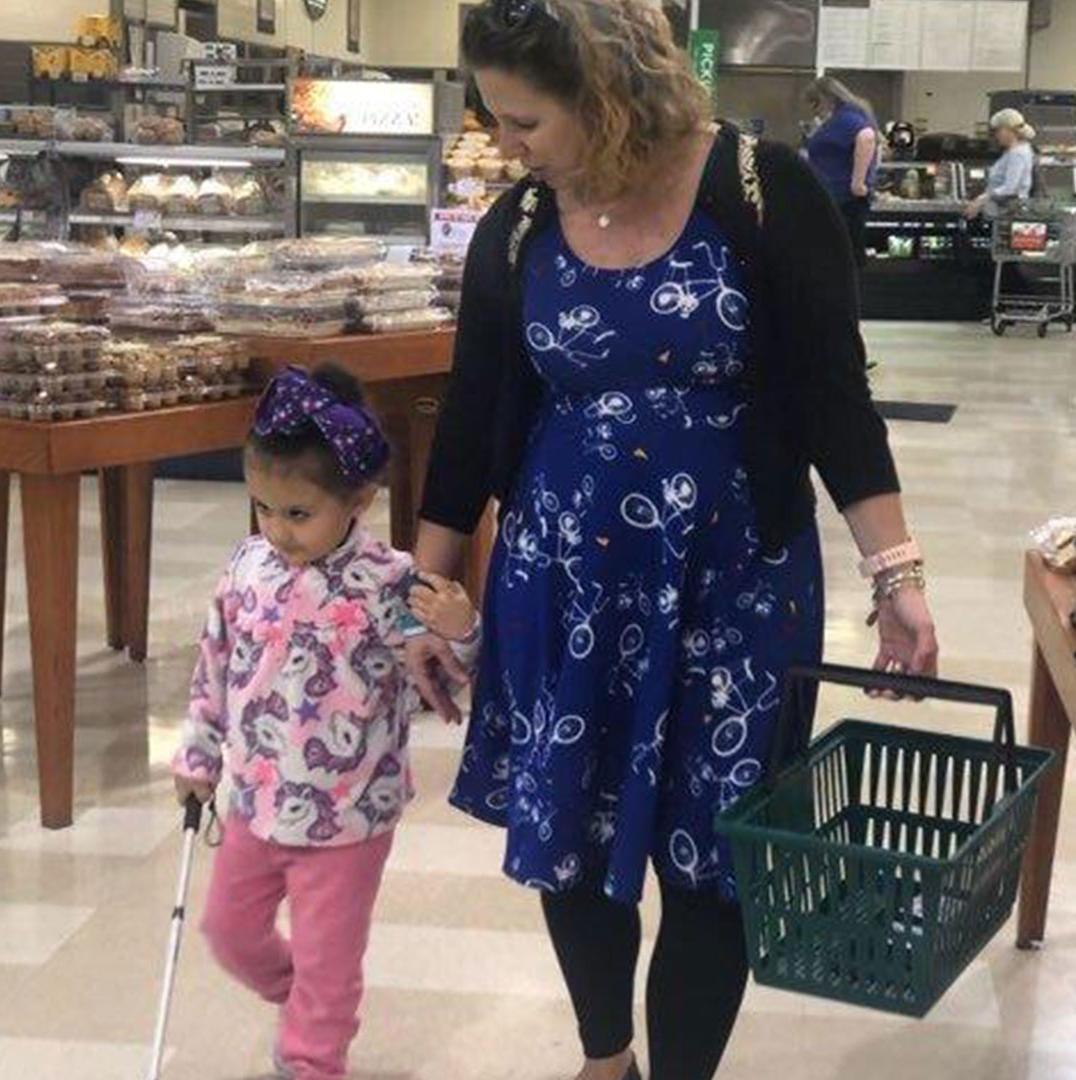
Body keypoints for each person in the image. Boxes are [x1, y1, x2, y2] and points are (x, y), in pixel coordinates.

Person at [409, 3, 939, 1080]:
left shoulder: (761, 191)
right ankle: (606, 1061)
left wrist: (897, 574)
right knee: (575, 840)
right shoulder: (520, 227)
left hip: (736, 584)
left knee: (716, 855)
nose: (510, 146)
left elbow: (838, 398)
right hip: (563, 582)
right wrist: (424, 586)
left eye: (526, 122)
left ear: (606, 96)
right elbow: (471, 418)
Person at [171, 365, 479, 1080]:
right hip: (255, 800)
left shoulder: (390, 581)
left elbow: (449, 674)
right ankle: (310, 1001)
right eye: (264, 509)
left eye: (298, 514)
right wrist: (197, 756)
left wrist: (462, 629)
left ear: (359, 500)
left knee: (327, 960)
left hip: (347, 817)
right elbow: (214, 666)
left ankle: (313, 1051)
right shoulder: (247, 568)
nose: (277, 530)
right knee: (229, 934)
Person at [804, 75, 880, 270]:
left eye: (815, 104)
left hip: (844, 201)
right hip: (835, 200)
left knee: (844, 259)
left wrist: (858, 183)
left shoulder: (846, 118)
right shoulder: (844, 117)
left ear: (826, 98)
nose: (815, 111)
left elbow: (867, 137)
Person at [964, 107, 1036, 220]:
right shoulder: (1014, 152)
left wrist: (981, 199)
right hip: (1003, 211)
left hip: (1009, 213)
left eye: (998, 131)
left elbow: (1010, 188)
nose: (996, 136)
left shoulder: (1017, 154)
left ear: (1008, 130)